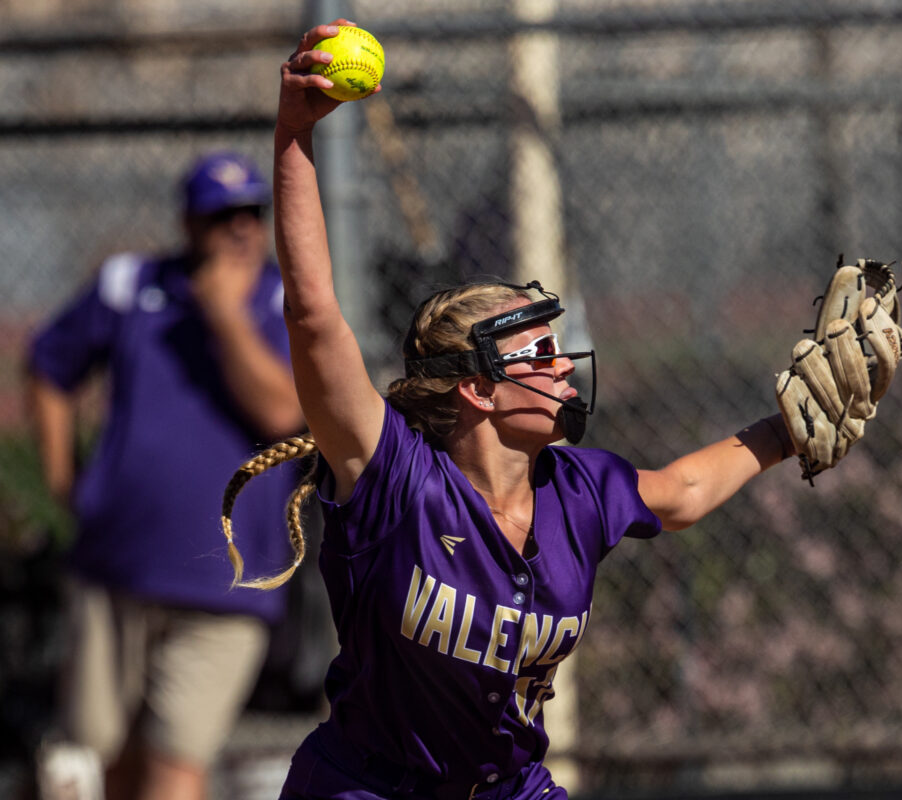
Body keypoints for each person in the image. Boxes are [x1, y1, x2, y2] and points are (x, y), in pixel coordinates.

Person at [224, 21, 818, 800]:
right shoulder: (394, 476)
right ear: (476, 387)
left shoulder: (578, 491)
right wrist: (293, 140)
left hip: (508, 787)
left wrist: (785, 432)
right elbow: (312, 316)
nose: (564, 364)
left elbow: (683, 493)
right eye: (538, 355)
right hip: (369, 787)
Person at [25, 151, 306, 800]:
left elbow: (284, 410)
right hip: (114, 566)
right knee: (100, 761)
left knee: (176, 764)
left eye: (250, 214)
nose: (238, 229)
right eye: (220, 216)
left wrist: (225, 316)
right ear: (187, 223)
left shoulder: (283, 299)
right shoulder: (130, 285)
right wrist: (65, 482)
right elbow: (48, 365)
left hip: (226, 581)